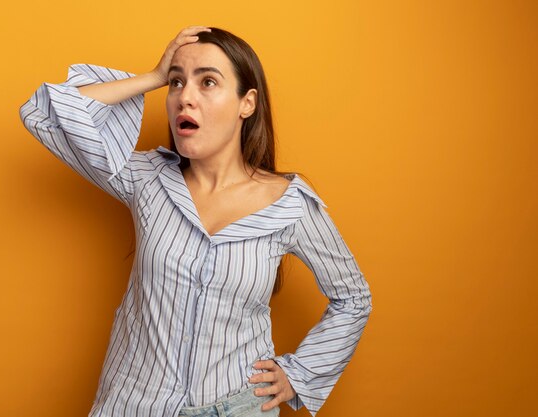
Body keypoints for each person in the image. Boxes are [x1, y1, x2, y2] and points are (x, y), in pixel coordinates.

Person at [19, 26, 372, 417]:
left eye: (207, 82)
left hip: (238, 408)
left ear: (247, 103)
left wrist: (300, 373)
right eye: (176, 82)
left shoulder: (289, 204)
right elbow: (45, 114)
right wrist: (153, 77)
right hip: (133, 404)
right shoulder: (147, 179)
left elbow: (353, 298)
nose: (185, 97)